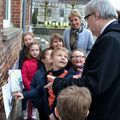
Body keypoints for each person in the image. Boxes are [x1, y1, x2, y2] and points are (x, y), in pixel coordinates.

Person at [46, 0, 120, 120]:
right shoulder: (113, 36)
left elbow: (94, 83)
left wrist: (59, 83)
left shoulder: (110, 40)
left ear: (96, 14)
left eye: (86, 18)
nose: (87, 24)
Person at [14, 47, 70, 120]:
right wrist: (23, 95)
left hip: (61, 114)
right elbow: (39, 90)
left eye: (65, 56)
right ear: (52, 59)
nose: (63, 58)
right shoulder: (46, 75)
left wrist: (56, 114)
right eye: (59, 55)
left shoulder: (69, 76)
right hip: (47, 111)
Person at [21, 42, 41, 120]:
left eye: (37, 50)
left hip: (37, 86)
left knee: (34, 101)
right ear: (29, 51)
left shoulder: (41, 62)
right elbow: (24, 76)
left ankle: (33, 111)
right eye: (32, 50)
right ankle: (24, 111)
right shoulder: (26, 63)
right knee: (26, 99)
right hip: (28, 86)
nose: (35, 52)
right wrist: (29, 86)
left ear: (39, 51)